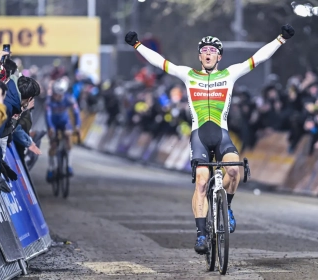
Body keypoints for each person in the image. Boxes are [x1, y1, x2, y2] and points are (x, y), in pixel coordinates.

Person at [124, 24, 295, 254]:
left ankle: (228, 207)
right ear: (199, 56)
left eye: (212, 50)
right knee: (202, 182)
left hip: (221, 134)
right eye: (204, 50)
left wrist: (280, 39)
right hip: (199, 136)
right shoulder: (188, 75)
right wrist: (137, 45)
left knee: (235, 171)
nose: (207, 53)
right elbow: (160, 62)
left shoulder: (230, 74)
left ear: (219, 56)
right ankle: (202, 234)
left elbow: (258, 58)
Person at [45, 77, 81, 182]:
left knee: (68, 137)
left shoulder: (69, 98)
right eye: (55, 94)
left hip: (65, 122)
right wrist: (51, 128)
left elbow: (76, 113)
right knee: (53, 145)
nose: (57, 96)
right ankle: (51, 168)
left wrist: (77, 126)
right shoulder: (48, 101)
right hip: (53, 123)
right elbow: (48, 116)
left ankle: (69, 166)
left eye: (60, 94)